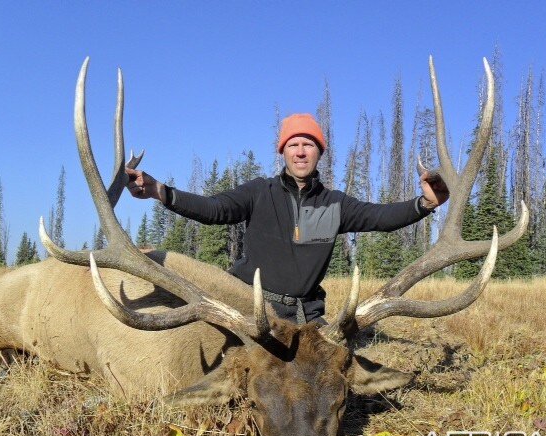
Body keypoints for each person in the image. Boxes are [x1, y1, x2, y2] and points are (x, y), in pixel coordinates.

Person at [126, 113, 449, 324]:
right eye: (293, 144)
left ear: (319, 153)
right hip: (250, 307)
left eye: (308, 144)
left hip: (305, 315)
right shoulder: (259, 193)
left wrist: (425, 203)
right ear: (283, 151)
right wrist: (160, 190)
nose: (300, 151)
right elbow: (215, 209)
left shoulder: (334, 204)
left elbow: (381, 217)